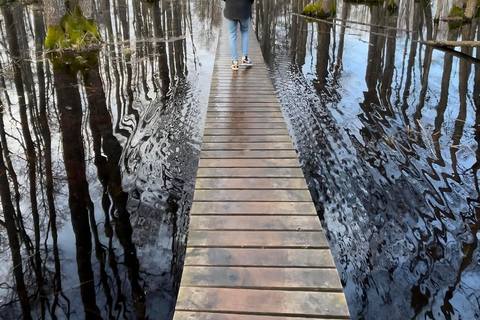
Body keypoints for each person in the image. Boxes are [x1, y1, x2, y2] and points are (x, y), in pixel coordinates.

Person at [223, 0, 254, 70]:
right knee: (245, 32)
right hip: (244, 8)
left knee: (232, 34)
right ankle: (244, 58)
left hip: (230, 8)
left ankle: (234, 62)